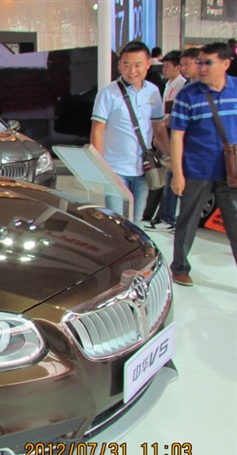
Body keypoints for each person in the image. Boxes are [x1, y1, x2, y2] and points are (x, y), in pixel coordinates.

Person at [169, 41, 237, 286]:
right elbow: (177, 136)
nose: (202, 67)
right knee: (188, 220)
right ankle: (179, 267)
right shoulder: (187, 95)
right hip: (197, 169)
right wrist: (178, 173)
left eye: (208, 62)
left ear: (226, 64)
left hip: (230, 171)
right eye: (200, 62)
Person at [91, 40, 170, 224]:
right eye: (126, 65)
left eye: (137, 64)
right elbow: (97, 129)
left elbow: (158, 128)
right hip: (114, 169)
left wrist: (170, 155)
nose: (132, 70)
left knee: (135, 221)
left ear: (148, 64)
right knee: (116, 221)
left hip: (143, 168)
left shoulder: (153, 92)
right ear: (119, 65)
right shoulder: (108, 93)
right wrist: (99, 167)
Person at [145, 50, 185, 231]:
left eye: (168, 67)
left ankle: (167, 217)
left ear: (177, 67)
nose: (164, 70)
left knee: (169, 176)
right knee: (159, 175)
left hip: (171, 134)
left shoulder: (181, 86)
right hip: (163, 133)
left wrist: (160, 129)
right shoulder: (168, 85)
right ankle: (156, 214)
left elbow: (172, 115)